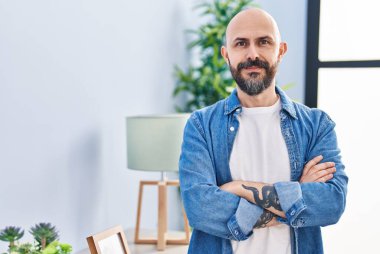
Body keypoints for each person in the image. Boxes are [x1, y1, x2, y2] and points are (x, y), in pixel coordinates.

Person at [179, 8, 348, 254]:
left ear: (281, 50)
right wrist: (296, 197)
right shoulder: (201, 126)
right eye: (241, 43)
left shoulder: (316, 125)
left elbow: (332, 203)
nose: (253, 53)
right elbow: (199, 208)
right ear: (227, 55)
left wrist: (237, 187)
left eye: (264, 42)